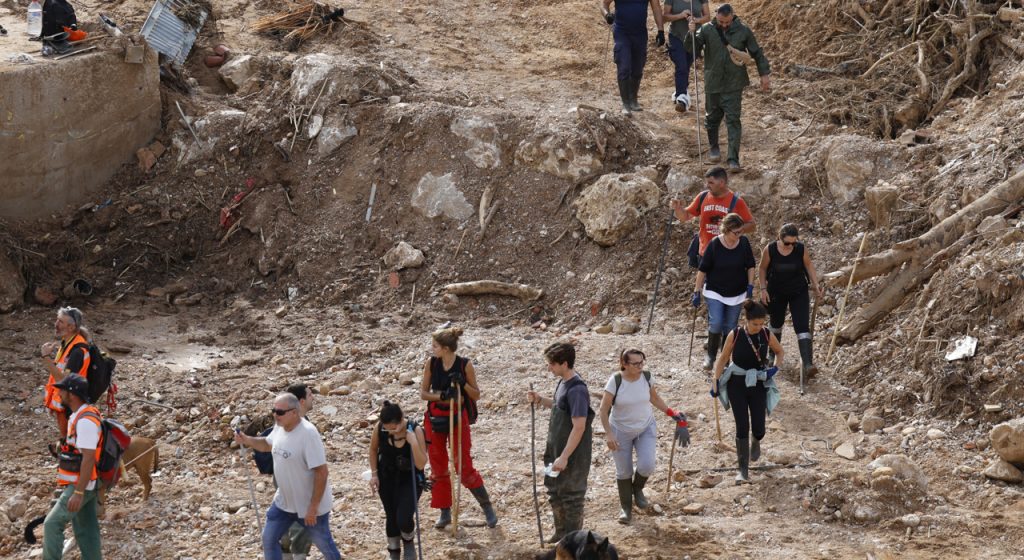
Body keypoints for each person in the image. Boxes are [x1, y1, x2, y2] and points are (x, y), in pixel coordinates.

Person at [234, 393, 342, 560]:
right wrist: (247, 439)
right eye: (274, 411)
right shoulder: (279, 427)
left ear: (294, 412)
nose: (275, 415)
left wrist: (313, 508)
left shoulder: (309, 434)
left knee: (326, 546)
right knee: (268, 539)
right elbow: (266, 445)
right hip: (283, 503)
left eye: (280, 412)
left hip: (309, 507)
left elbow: (322, 472)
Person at [597, 348, 690, 524]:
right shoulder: (615, 381)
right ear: (624, 364)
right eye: (635, 363)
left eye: (642, 362)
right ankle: (625, 508)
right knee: (624, 471)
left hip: (645, 427)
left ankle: (637, 489)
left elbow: (654, 398)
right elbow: (603, 410)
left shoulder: (646, 377)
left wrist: (672, 413)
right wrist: (609, 434)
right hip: (620, 430)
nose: (640, 366)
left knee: (647, 465)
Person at [418, 326, 497, 529]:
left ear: (445, 348)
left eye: (435, 346)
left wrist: (462, 384)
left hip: (456, 416)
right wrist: (443, 396)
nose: (432, 349)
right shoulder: (431, 363)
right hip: (435, 417)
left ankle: (487, 506)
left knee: (463, 465)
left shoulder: (464, 365)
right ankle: (445, 511)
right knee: (437, 465)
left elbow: (476, 394)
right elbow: (424, 394)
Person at [684, 3, 771, 170]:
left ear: (732, 17)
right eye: (721, 22)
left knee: (733, 120)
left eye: (727, 22)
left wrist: (764, 74)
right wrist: (691, 32)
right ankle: (714, 148)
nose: (724, 25)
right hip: (713, 82)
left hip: (734, 83)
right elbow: (691, 48)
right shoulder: (707, 29)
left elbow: (757, 53)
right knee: (712, 118)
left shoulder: (743, 30)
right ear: (717, 16)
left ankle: (733, 158)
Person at [526, 342, 594, 543]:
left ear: (564, 363)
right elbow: (559, 406)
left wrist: (564, 457)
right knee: (554, 490)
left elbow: (579, 426)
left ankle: (573, 541)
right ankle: (561, 533)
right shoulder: (563, 383)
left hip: (572, 455)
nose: (549, 368)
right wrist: (540, 399)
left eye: (552, 364)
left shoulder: (577, 390)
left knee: (571, 496)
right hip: (555, 449)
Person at [711, 300, 782, 483]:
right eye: (755, 324)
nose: (758, 327)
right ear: (746, 320)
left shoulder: (766, 334)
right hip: (737, 383)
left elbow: (779, 352)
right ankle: (743, 470)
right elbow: (723, 358)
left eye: (761, 324)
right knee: (742, 425)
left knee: (759, 427)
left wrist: (775, 368)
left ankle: (756, 440)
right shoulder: (735, 334)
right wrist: (715, 381)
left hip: (758, 383)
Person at [43, 374, 102, 560]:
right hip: (86, 484)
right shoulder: (80, 416)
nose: (58, 393)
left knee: (51, 524)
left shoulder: (85, 421)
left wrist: (78, 492)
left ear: (73, 394)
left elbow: (89, 458)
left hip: (82, 484)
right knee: (86, 531)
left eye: (62, 390)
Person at [692, 212, 756, 370]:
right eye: (736, 232)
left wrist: (750, 285)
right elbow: (702, 270)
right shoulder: (714, 244)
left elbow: (751, 265)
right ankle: (711, 356)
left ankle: (726, 359)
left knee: (730, 327)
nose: (740, 235)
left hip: (737, 292)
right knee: (716, 323)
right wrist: (696, 291)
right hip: (715, 291)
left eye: (741, 231)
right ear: (726, 230)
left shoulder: (744, 243)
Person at [758, 224, 824, 377]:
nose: (790, 246)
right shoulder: (770, 249)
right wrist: (762, 289)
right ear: (779, 238)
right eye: (787, 243)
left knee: (802, 326)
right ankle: (772, 355)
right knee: (776, 323)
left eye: (794, 243)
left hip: (798, 291)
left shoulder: (800, 249)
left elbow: (809, 266)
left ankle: (807, 363)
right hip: (776, 292)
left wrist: (816, 285)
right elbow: (762, 269)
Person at [369, 401, 428, 560]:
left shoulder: (415, 430)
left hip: (410, 480)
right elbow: (373, 450)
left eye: (393, 428)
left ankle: (408, 541)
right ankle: (394, 551)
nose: (389, 431)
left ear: (401, 420)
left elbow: (422, 463)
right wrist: (374, 474)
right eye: (386, 428)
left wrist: (413, 442)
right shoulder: (380, 429)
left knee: (403, 517)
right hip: (386, 479)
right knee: (391, 516)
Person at [670, 166, 755, 267]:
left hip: (727, 256)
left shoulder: (736, 201)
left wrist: (735, 229)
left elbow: (752, 226)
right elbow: (685, 216)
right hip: (704, 254)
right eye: (707, 182)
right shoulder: (702, 197)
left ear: (722, 183)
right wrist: (678, 208)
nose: (707, 186)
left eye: (711, 183)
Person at [601, 0, 666, 115]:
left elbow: (656, 8)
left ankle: (633, 99)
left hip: (640, 33)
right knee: (624, 65)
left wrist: (660, 30)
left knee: (638, 66)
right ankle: (625, 103)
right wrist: (607, 15)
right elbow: (604, 4)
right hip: (622, 32)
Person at [41, 307, 92, 438]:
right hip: (65, 401)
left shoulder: (77, 351)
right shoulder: (67, 343)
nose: (56, 324)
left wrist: (46, 357)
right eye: (57, 320)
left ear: (71, 327)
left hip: (70, 403)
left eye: (60, 322)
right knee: (68, 437)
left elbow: (63, 380)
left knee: (68, 438)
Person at [662, 0, 710, 111]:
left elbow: (707, 17)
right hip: (676, 36)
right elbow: (665, 17)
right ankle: (682, 98)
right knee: (681, 65)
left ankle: (681, 90)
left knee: (687, 65)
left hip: (694, 37)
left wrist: (696, 20)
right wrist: (680, 15)